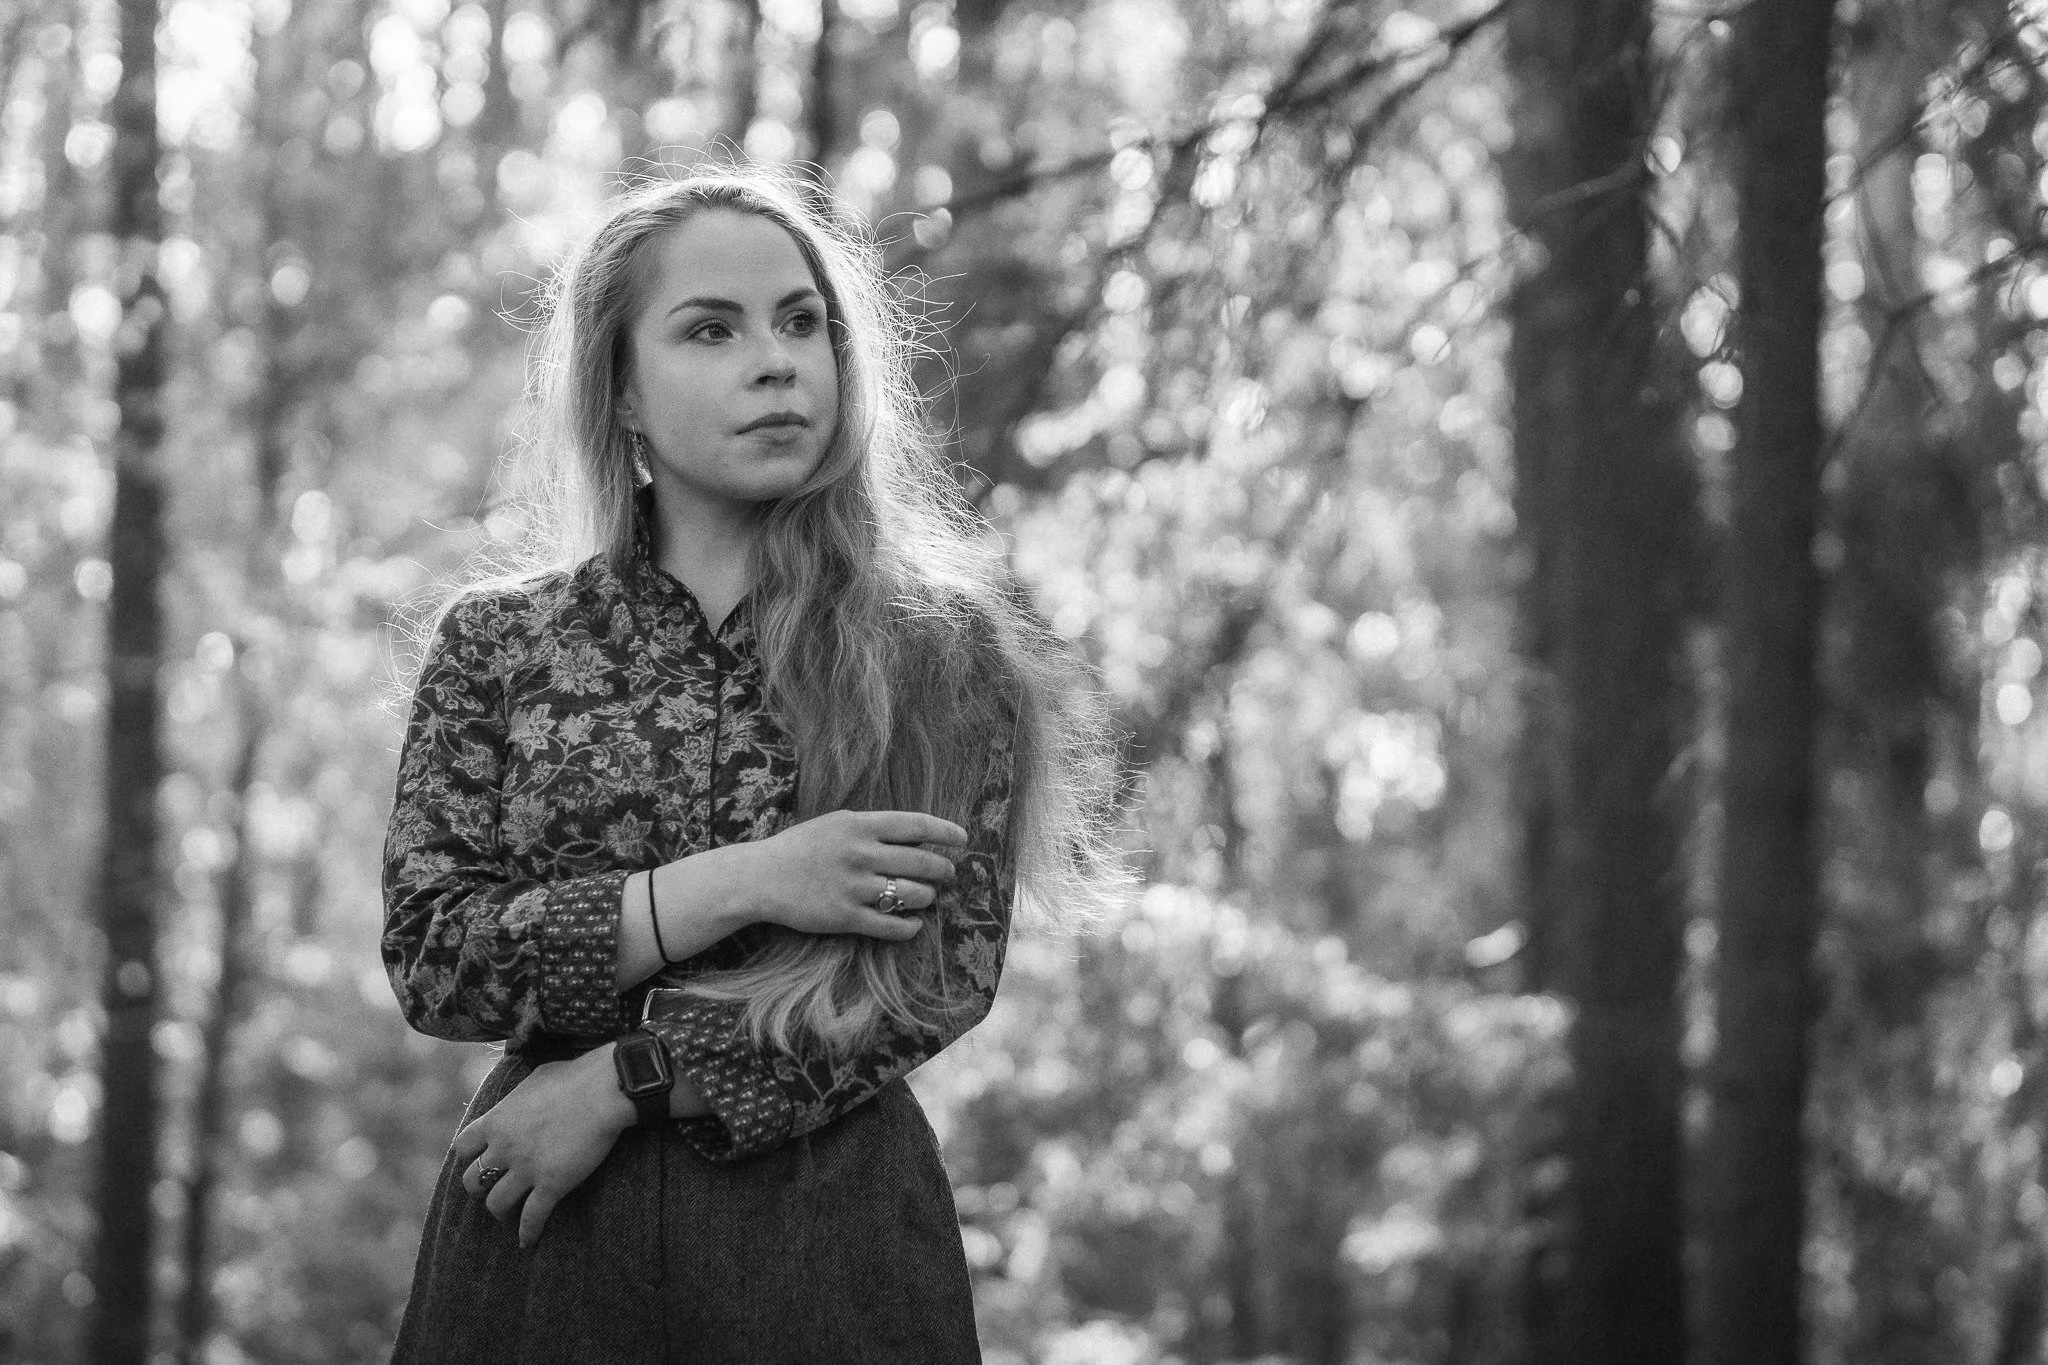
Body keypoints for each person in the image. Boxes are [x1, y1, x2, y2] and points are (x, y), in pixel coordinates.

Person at [379, 163, 1127, 1364]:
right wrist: (747, 880)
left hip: (826, 1245)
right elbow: (439, 959)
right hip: (536, 1232)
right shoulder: (501, 645)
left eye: (801, 322)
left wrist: (623, 1080)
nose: (776, 361)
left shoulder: (939, 653)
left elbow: (928, 980)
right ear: (620, 392)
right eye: (709, 330)